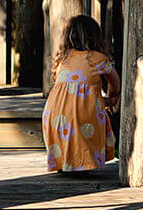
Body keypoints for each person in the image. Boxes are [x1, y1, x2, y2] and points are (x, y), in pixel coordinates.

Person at [42, 15, 120, 173]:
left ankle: (63, 162)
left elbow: (69, 90)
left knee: (68, 127)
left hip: (53, 111)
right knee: (85, 123)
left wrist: (99, 99)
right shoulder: (97, 59)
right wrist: (112, 98)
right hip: (80, 112)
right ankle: (83, 164)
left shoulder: (62, 58)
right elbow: (114, 81)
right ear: (95, 36)